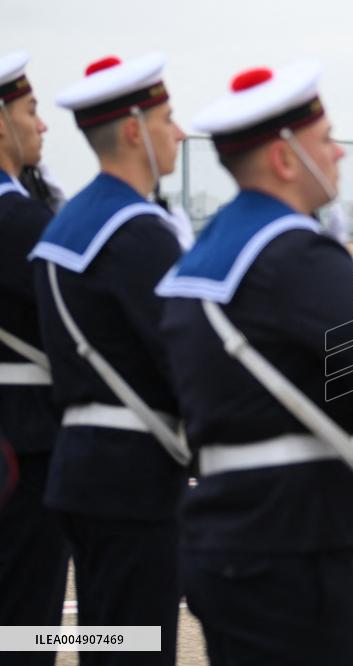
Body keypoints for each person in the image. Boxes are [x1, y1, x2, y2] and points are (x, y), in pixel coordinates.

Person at [156, 62, 353, 665]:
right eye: (326, 139)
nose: (340, 152)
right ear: (286, 159)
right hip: (293, 540)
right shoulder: (295, 253)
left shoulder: (206, 252)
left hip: (230, 530)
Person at [29, 53, 188, 664]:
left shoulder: (66, 222)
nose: (176, 132)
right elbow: (180, 357)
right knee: (137, 647)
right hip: (135, 479)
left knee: (104, 638)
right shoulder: (137, 231)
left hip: (82, 467)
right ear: (132, 131)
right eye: (167, 119)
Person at [0, 51, 69, 662]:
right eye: (30, 109)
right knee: (28, 629)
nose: (41, 124)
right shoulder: (19, 221)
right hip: (24, 445)